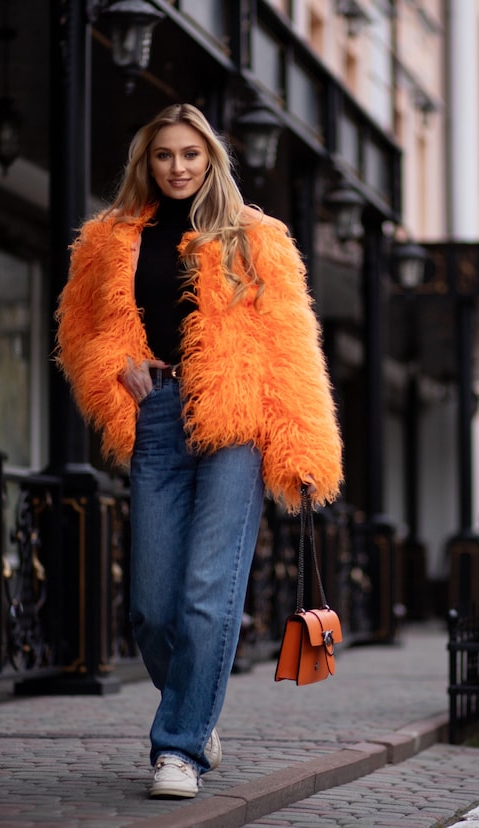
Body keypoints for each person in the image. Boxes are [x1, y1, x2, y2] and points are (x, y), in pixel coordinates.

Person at [55, 103, 343, 799]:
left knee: (208, 598)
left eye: (191, 154)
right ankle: (195, 708)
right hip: (157, 417)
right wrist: (115, 361)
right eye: (164, 155)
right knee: (153, 606)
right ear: (146, 163)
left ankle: (179, 746)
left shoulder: (254, 237)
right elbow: (81, 327)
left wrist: (304, 446)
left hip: (236, 425)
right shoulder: (110, 238)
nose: (178, 167)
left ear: (211, 159)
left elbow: (291, 344)